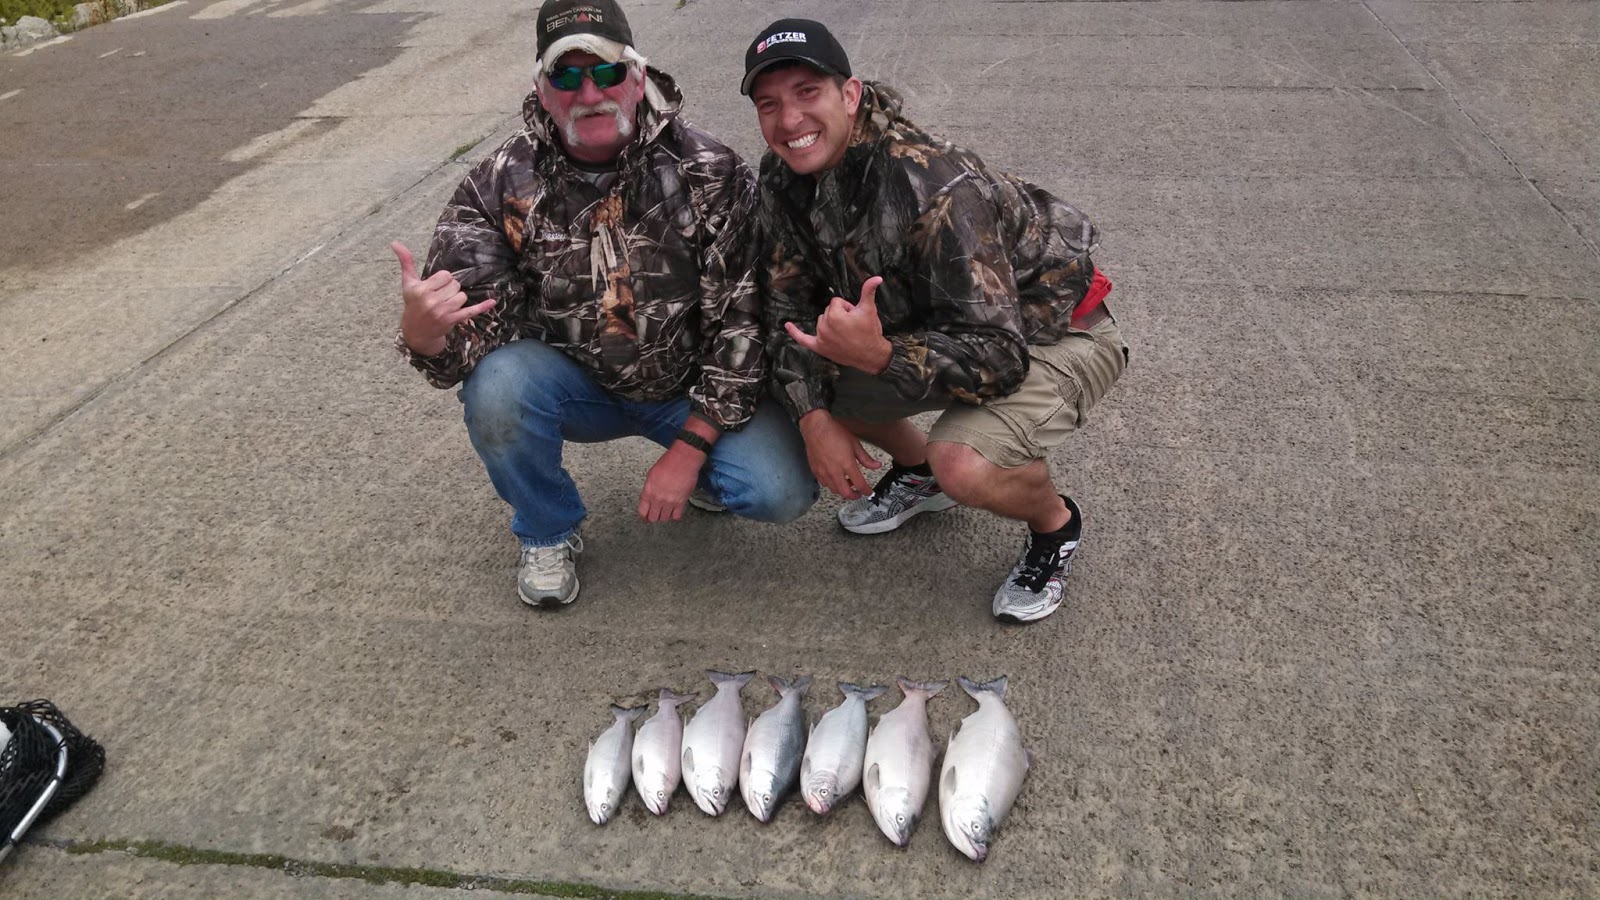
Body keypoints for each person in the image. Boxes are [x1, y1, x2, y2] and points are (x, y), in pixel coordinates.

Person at [391, 0, 815, 609]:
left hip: (690, 391)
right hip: (577, 389)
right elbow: (475, 329)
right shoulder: (498, 184)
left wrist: (689, 449)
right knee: (498, 386)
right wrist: (425, 336)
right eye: (566, 76)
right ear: (541, 89)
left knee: (779, 491)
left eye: (607, 72)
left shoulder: (712, 171)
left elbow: (743, 326)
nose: (588, 91)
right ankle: (546, 529)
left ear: (639, 77)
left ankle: (707, 476)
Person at [742, 19, 1128, 624]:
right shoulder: (782, 176)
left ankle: (1055, 526)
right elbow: (786, 309)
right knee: (800, 373)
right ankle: (920, 476)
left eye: (807, 92)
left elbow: (999, 358)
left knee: (965, 462)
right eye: (770, 104)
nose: (789, 121)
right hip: (940, 328)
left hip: (1057, 331)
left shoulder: (936, 184)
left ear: (850, 94)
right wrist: (814, 419)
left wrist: (880, 358)